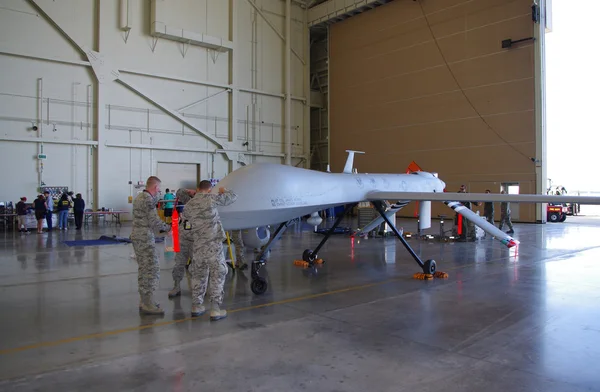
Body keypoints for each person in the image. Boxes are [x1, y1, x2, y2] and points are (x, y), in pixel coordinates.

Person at [183, 180, 237, 320]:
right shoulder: (212, 199)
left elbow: (186, 220)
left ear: (197, 188)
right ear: (210, 189)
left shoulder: (189, 205)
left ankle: (196, 306)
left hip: (198, 246)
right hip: (213, 245)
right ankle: (215, 309)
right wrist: (224, 190)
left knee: (198, 275)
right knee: (217, 274)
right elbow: (232, 197)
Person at [131, 176, 171, 315]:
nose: (159, 191)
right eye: (158, 188)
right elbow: (154, 220)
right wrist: (168, 228)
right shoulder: (147, 199)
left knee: (144, 269)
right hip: (144, 238)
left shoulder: (140, 197)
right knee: (151, 269)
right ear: (155, 187)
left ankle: (145, 300)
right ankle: (148, 303)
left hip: (139, 235)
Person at [168, 188, 197, 298]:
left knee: (197, 266)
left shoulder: (206, 202)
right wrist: (188, 190)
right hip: (183, 239)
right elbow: (179, 192)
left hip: (196, 240)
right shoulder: (188, 200)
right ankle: (176, 286)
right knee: (179, 264)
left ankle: (198, 289)